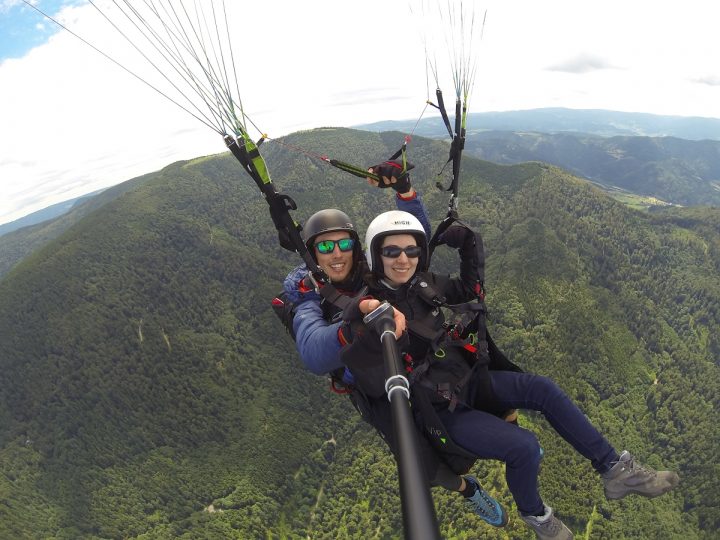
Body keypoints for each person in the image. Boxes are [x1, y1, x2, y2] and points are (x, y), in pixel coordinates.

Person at [339, 210, 680, 540]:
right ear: (375, 254)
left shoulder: (424, 283)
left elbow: (471, 290)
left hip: (468, 378)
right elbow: (365, 370)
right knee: (525, 447)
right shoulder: (372, 308)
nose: (404, 259)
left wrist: (470, 243)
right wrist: (369, 319)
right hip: (441, 411)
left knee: (543, 389)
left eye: (412, 250)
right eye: (392, 251)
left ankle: (614, 469)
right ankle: (537, 515)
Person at [280, 162, 508, 528]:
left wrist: (405, 191)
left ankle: (506, 429)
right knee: (420, 464)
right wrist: (355, 328)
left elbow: (411, 239)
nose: (336, 253)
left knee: (478, 387)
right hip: (376, 388)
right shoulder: (309, 296)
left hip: (416, 363)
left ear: (356, 247)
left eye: (344, 243)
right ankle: (469, 491)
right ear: (312, 252)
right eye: (325, 246)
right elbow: (311, 349)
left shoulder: (367, 270)